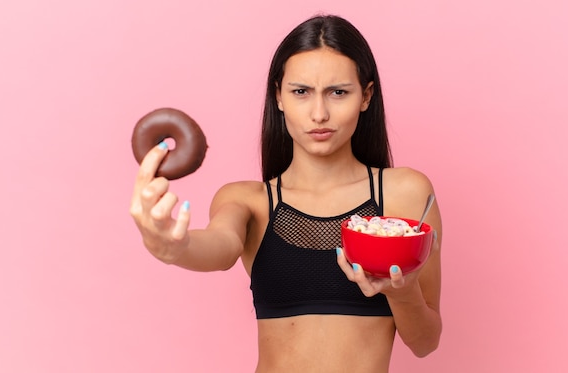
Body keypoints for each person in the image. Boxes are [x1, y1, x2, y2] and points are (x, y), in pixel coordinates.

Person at [130, 14, 443, 373]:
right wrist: (173, 247)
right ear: (278, 97)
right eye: (301, 92)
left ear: (366, 96)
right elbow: (219, 245)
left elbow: (425, 342)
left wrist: (401, 294)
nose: (319, 113)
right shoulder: (249, 201)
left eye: (338, 92)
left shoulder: (404, 195)